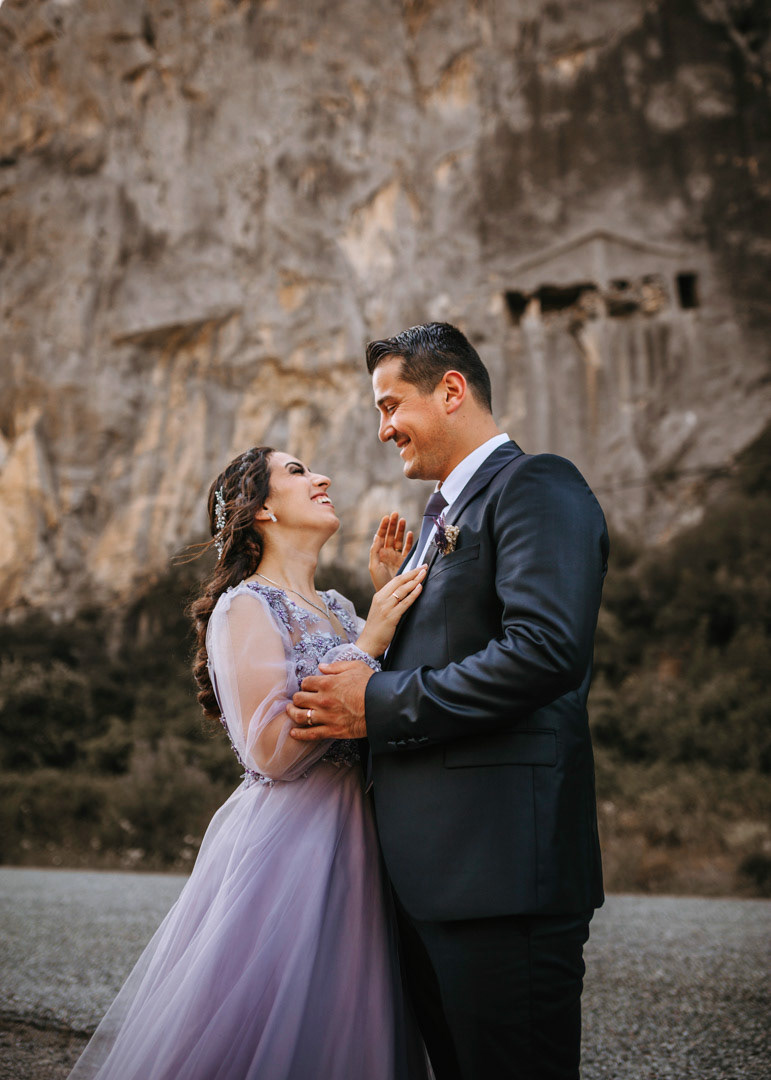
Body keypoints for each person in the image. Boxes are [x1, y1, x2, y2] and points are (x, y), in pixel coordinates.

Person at [289, 322, 610, 1080]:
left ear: (452, 390)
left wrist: (376, 703)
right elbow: (453, 644)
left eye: (390, 404)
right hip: (426, 884)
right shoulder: (439, 522)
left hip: (499, 876)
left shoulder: (536, 485)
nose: (383, 429)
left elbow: (544, 650)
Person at [68, 446, 430, 1080]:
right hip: (290, 846)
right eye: (297, 471)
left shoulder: (341, 609)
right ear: (261, 508)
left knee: (348, 1021)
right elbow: (272, 751)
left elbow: (377, 708)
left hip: (368, 838)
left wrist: (380, 611)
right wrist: (371, 639)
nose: (321, 477)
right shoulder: (246, 606)